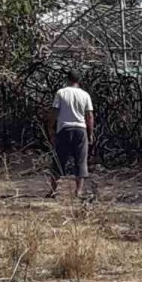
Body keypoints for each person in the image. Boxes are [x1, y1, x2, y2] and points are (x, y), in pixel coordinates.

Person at [48, 69, 94, 198]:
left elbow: (55, 111)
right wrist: (90, 132)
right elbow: (89, 116)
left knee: (59, 160)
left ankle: (53, 190)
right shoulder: (85, 95)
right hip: (80, 129)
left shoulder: (61, 93)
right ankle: (78, 191)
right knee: (80, 160)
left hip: (64, 129)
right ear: (79, 80)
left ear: (67, 79)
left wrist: (50, 127)